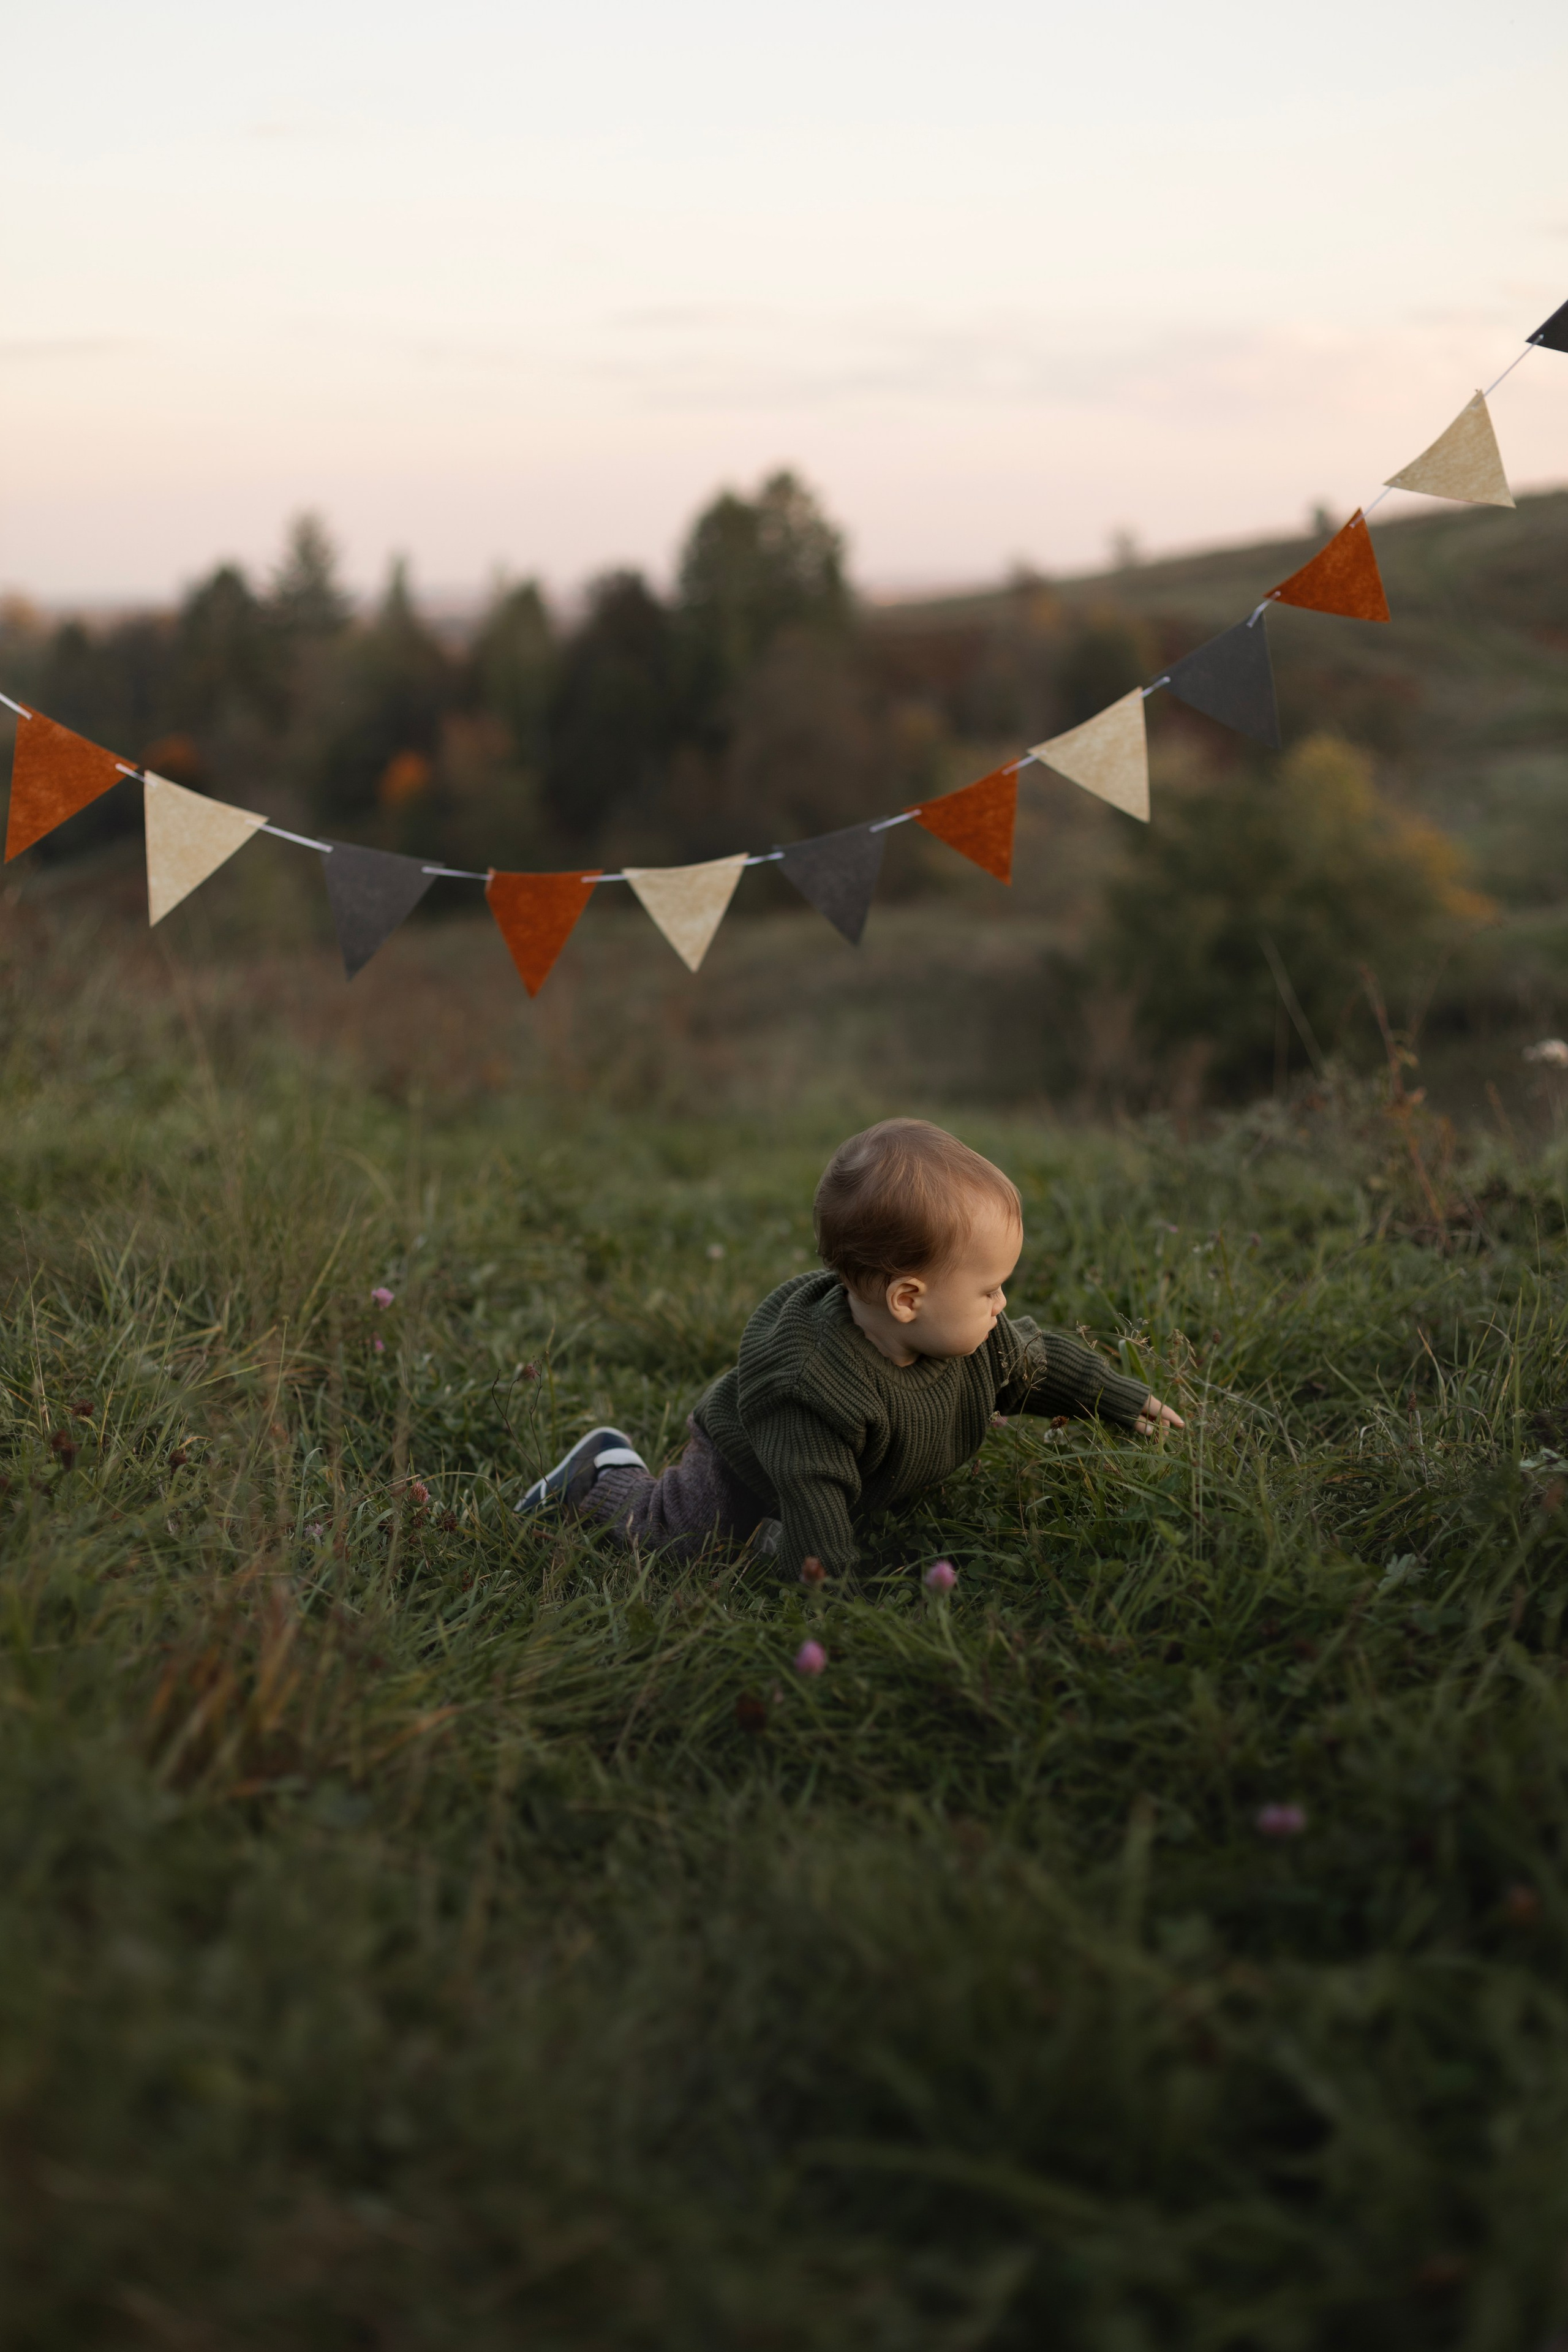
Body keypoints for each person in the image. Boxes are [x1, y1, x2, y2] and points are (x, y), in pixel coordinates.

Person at [517, 1117, 1183, 1578]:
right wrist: (828, 1594)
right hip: (748, 1472)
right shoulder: (810, 1392)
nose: (1002, 1305)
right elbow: (813, 1509)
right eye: (988, 1289)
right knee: (673, 1545)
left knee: (841, 1499)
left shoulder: (978, 1340)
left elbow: (1039, 1365)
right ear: (907, 1300)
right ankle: (605, 1474)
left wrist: (1120, 1399)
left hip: (854, 1474)